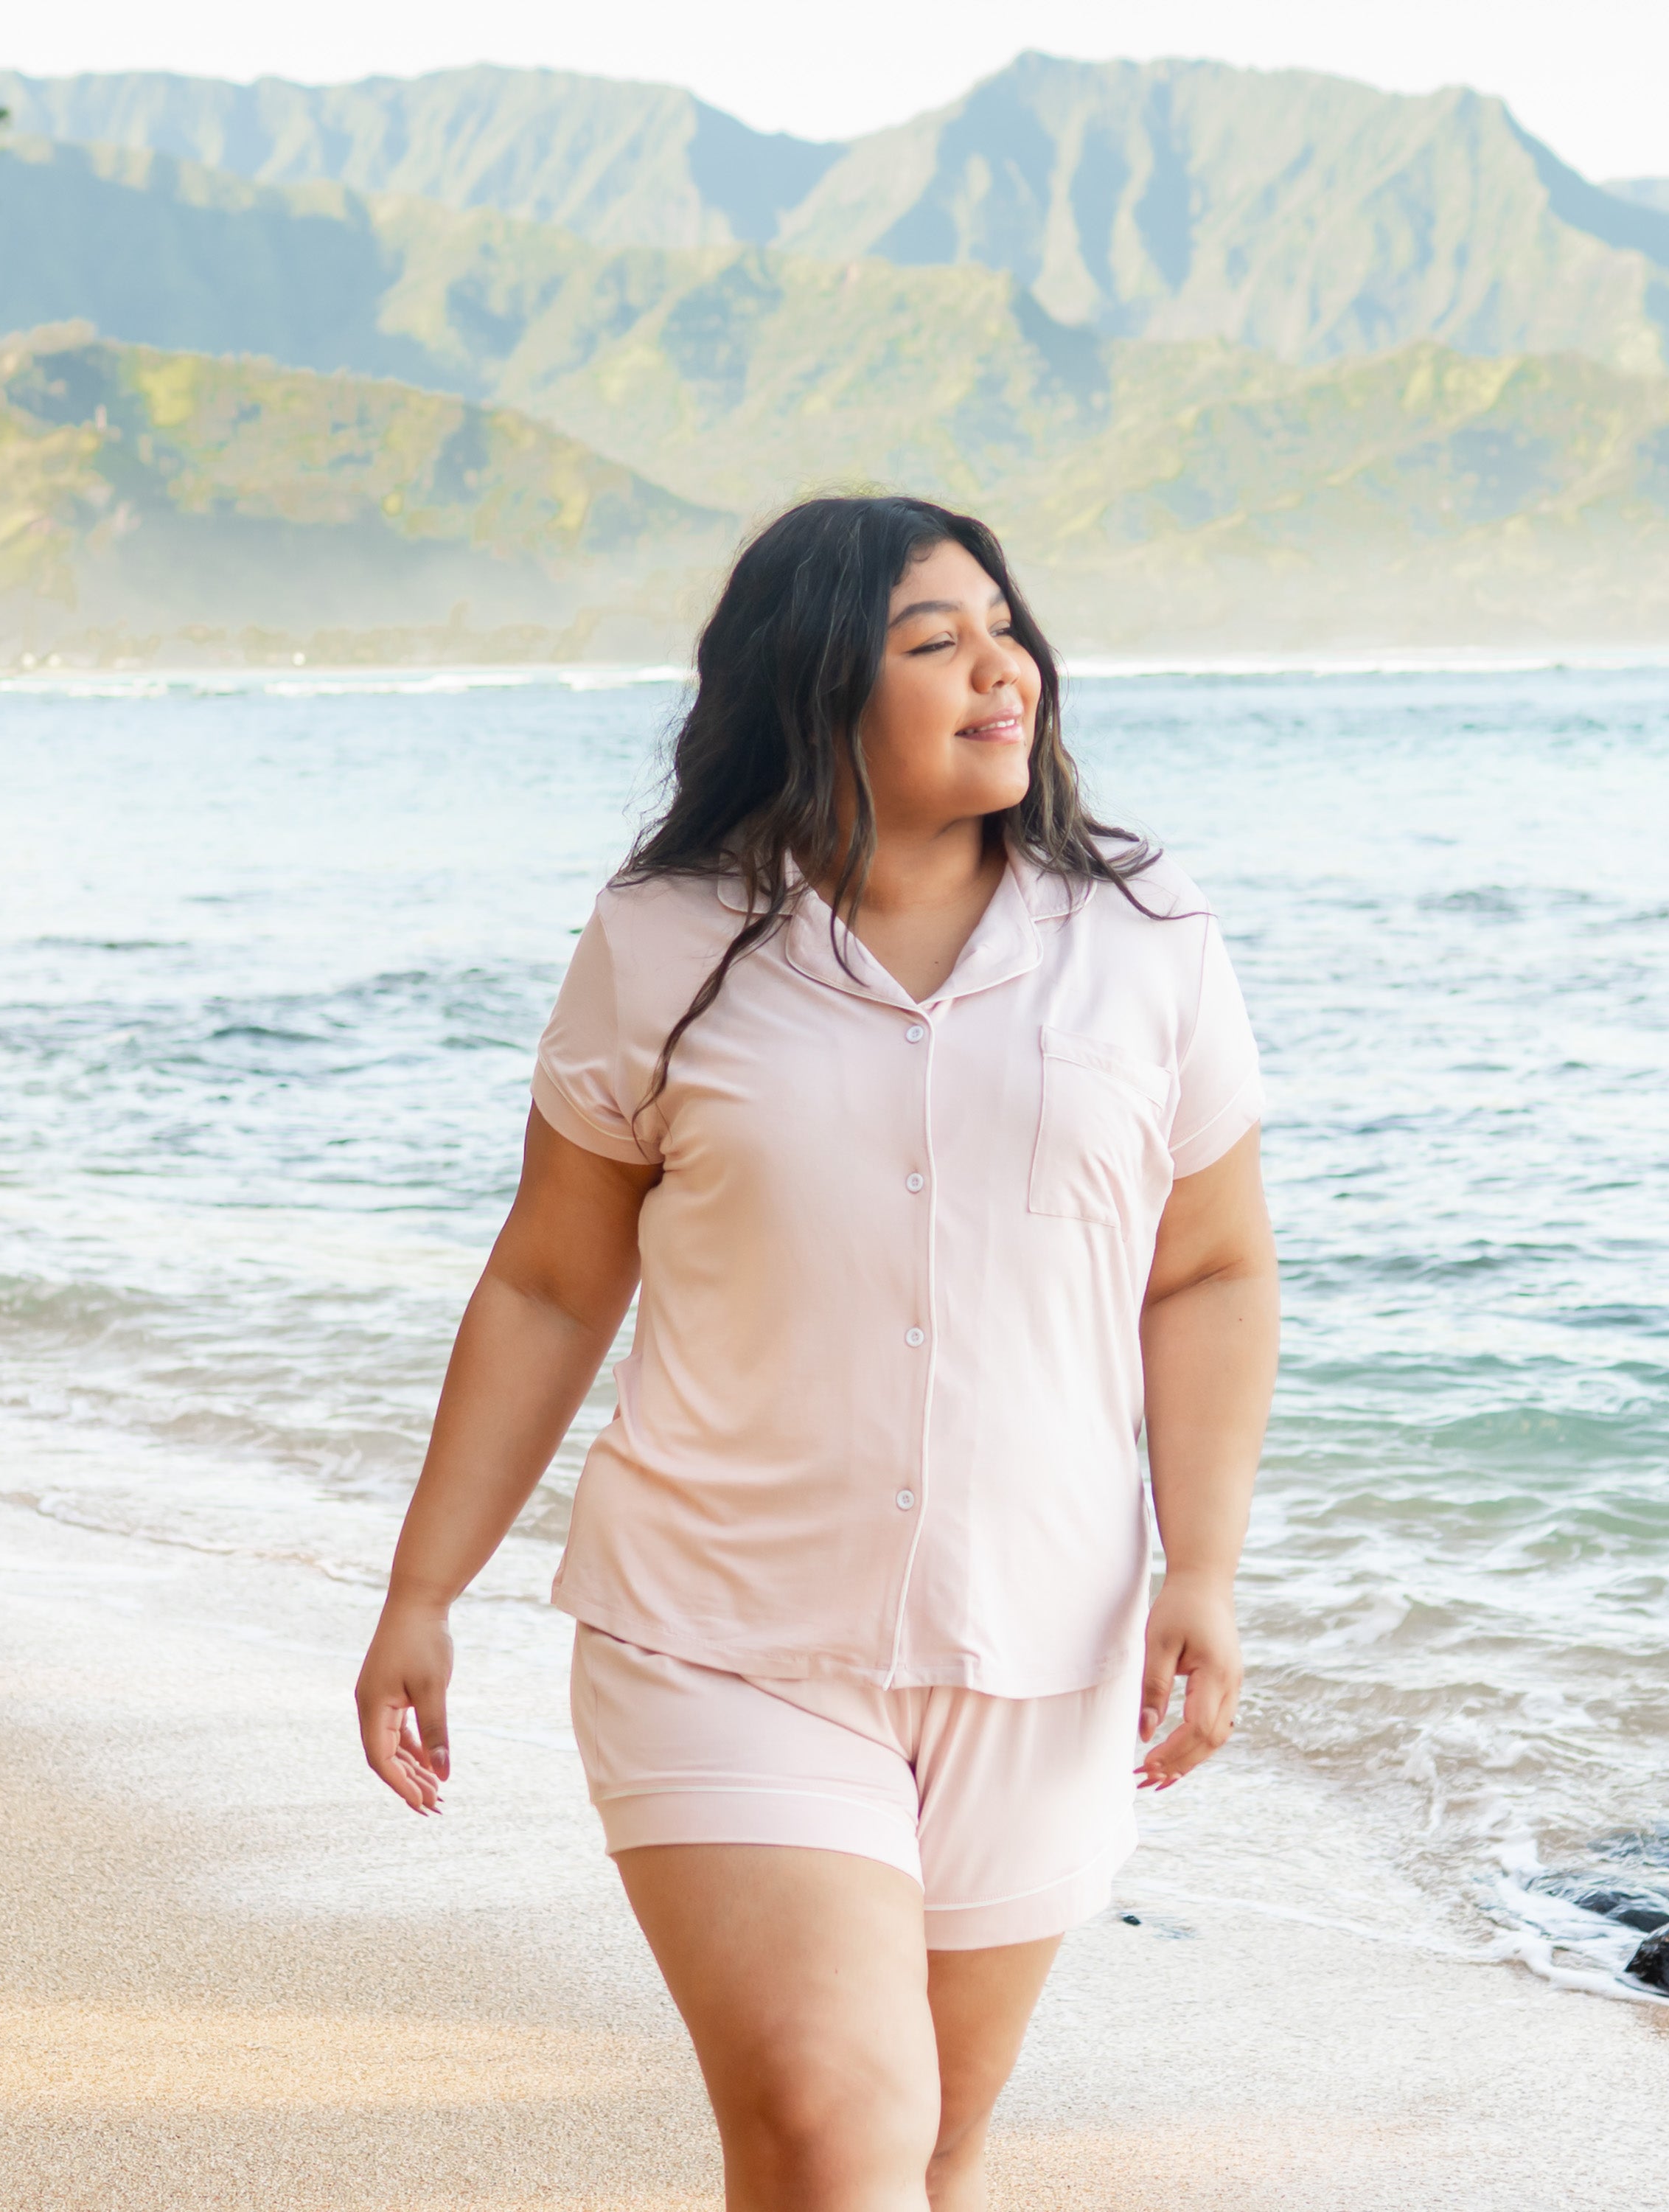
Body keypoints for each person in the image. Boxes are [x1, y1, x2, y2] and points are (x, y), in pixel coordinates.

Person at [355, 495, 1279, 2211]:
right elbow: (554, 1285)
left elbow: (1209, 1271)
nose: (1002, 670)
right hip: (722, 1628)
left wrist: (1205, 1567)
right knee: (827, 2131)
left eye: (1006, 629)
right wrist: (424, 1592)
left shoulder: (1146, 930)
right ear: (813, 693)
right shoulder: (665, 938)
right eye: (935, 643)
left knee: (930, 2153)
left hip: (1040, 1637)